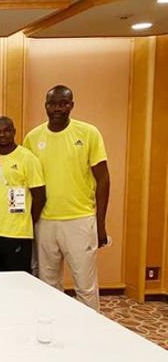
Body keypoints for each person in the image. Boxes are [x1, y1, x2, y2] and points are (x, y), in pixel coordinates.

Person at [24, 85, 110, 311]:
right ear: (45, 106)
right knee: (48, 284)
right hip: (45, 221)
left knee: (85, 286)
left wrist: (100, 223)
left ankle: (89, 329)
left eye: (63, 104)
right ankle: (55, 326)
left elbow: (103, 179)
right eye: (52, 104)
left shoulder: (88, 133)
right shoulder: (32, 138)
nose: (57, 109)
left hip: (80, 220)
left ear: (72, 105)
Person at [0, 116, 46, 273]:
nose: (2, 135)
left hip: (17, 234)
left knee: (18, 280)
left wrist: (25, 221)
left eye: (7, 131)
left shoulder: (28, 158)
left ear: (14, 132)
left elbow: (40, 196)